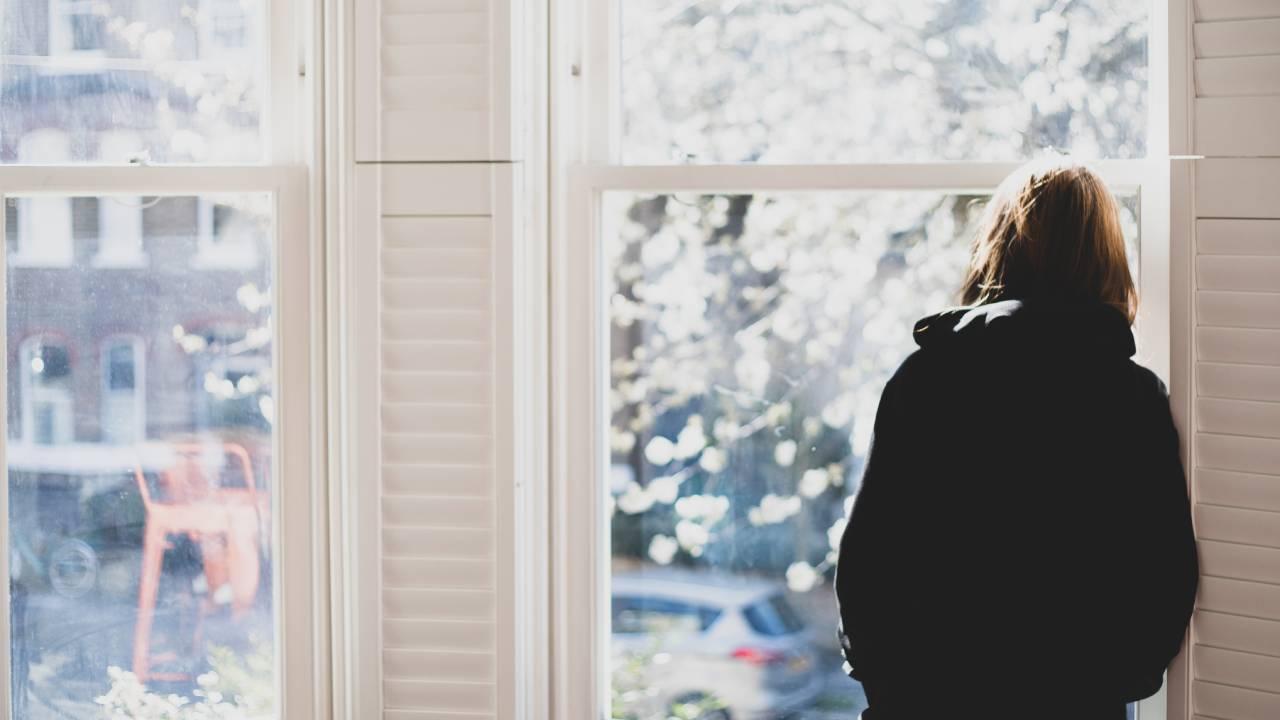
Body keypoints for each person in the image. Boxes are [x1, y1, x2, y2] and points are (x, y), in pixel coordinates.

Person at [834, 158, 1199, 720]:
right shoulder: (1132, 396)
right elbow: (1163, 570)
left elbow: (870, 561)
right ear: (1105, 257)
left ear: (998, 246)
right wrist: (1109, 683)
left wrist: (891, 691)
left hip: (927, 694)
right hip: (1073, 698)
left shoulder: (926, 377)